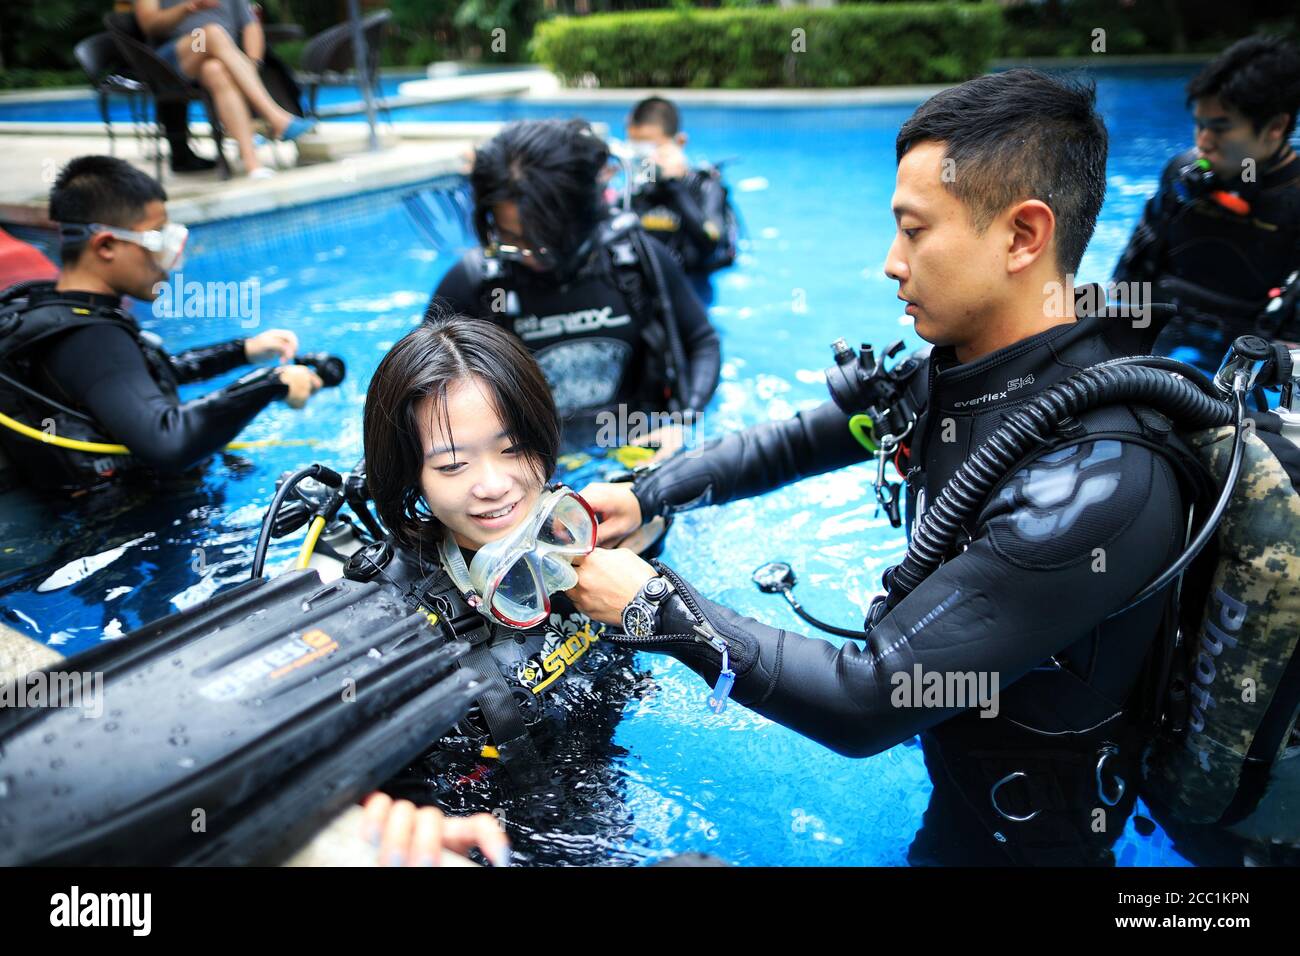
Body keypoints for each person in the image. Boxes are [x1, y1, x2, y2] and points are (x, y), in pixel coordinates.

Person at [568, 70, 1197, 866]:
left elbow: (869, 700)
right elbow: (800, 439)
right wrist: (645, 493)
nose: (890, 263)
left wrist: (658, 608)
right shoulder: (972, 371)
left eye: (914, 230)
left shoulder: (1098, 485)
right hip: (960, 784)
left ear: (1022, 236)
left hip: (1020, 845)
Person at [358, 318, 647, 864]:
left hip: (606, 810)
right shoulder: (383, 630)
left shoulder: (583, 543)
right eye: (452, 465)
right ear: (411, 476)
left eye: (513, 449)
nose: (493, 486)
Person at [0, 155, 322, 494]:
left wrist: (243, 351)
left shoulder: (63, 313)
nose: (167, 265)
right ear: (106, 245)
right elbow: (170, 443)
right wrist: (273, 384)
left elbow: (145, 375)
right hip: (136, 524)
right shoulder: (91, 339)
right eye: (156, 243)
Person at [427, 119, 721, 454]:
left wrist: (681, 423)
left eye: (546, 242)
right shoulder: (475, 284)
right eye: (510, 239)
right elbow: (423, 390)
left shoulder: (637, 262)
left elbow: (701, 342)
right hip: (529, 458)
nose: (530, 256)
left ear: (583, 217)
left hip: (632, 441)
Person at [1113, 35, 1300, 378]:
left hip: (1251, 359)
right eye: (1199, 125)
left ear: (1276, 126)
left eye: (1220, 128)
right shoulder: (1180, 177)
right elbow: (1127, 279)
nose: (1203, 142)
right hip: (1162, 335)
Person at [133, 0, 315, 179]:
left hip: (222, 58)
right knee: (212, 33)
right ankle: (276, 117)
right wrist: (187, 7)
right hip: (174, 57)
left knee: (215, 70)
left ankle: (252, 164)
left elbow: (251, 26)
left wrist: (251, 65)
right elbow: (149, 24)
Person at [624, 96, 739, 305]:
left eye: (653, 148)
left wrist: (674, 187)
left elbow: (712, 243)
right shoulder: (637, 191)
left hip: (692, 295)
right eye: (638, 152)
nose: (648, 160)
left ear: (679, 143)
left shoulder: (704, 186)